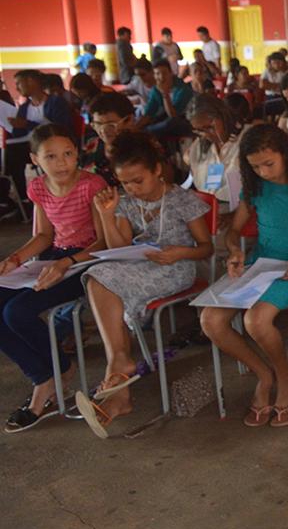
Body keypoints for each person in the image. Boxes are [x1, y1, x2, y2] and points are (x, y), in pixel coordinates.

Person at [75, 132, 212, 436]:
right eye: (125, 183)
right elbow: (117, 248)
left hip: (177, 268)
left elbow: (206, 248)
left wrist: (181, 252)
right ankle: (119, 385)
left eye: (138, 180)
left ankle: (119, 371)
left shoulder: (181, 199)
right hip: (137, 267)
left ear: (157, 171)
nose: (132, 188)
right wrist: (108, 216)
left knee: (104, 283)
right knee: (100, 277)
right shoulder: (123, 202)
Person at [198, 124, 288, 428]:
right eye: (255, 167)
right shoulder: (255, 187)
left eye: (269, 164)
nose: (263, 172)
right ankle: (263, 373)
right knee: (210, 320)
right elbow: (233, 232)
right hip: (259, 264)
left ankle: (285, 376)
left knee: (255, 320)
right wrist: (234, 251)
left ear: (286, 155)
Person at [0, 124, 108, 433]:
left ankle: (56, 375)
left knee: (16, 312)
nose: (61, 163)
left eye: (68, 154)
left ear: (78, 154)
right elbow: (45, 235)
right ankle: (44, 376)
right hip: (54, 257)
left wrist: (65, 263)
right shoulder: (38, 187)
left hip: (86, 261)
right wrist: (16, 259)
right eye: (51, 156)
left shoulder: (92, 185)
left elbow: (103, 242)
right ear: (35, 159)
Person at [6, 71, 73, 201]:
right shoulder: (24, 107)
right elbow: (19, 133)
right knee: (8, 154)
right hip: (30, 147)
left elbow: (60, 128)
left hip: (54, 146)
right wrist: (13, 125)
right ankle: (23, 199)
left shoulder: (55, 102)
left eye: (19, 83)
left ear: (31, 81)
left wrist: (28, 124)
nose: (17, 88)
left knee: (13, 154)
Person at [185, 94, 244, 213]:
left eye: (209, 127)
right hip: (210, 208)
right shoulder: (200, 146)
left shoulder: (245, 139)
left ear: (222, 115)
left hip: (243, 209)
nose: (206, 134)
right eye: (200, 130)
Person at [81, 93, 136, 186]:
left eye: (111, 125)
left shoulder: (144, 147)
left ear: (129, 120)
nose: (104, 131)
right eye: (98, 124)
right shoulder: (92, 145)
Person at [138, 59, 193, 138]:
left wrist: (165, 94)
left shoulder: (183, 89)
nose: (161, 77)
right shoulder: (156, 90)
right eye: (157, 74)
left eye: (164, 73)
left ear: (171, 73)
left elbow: (173, 116)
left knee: (170, 123)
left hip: (184, 122)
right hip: (167, 121)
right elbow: (148, 113)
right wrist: (134, 128)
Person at [261, 52, 288, 117]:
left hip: (282, 96)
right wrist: (278, 85)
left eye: (278, 63)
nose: (276, 65)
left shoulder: (285, 72)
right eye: (274, 63)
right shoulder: (267, 71)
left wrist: (270, 85)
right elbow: (262, 85)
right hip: (270, 97)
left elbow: (286, 85)